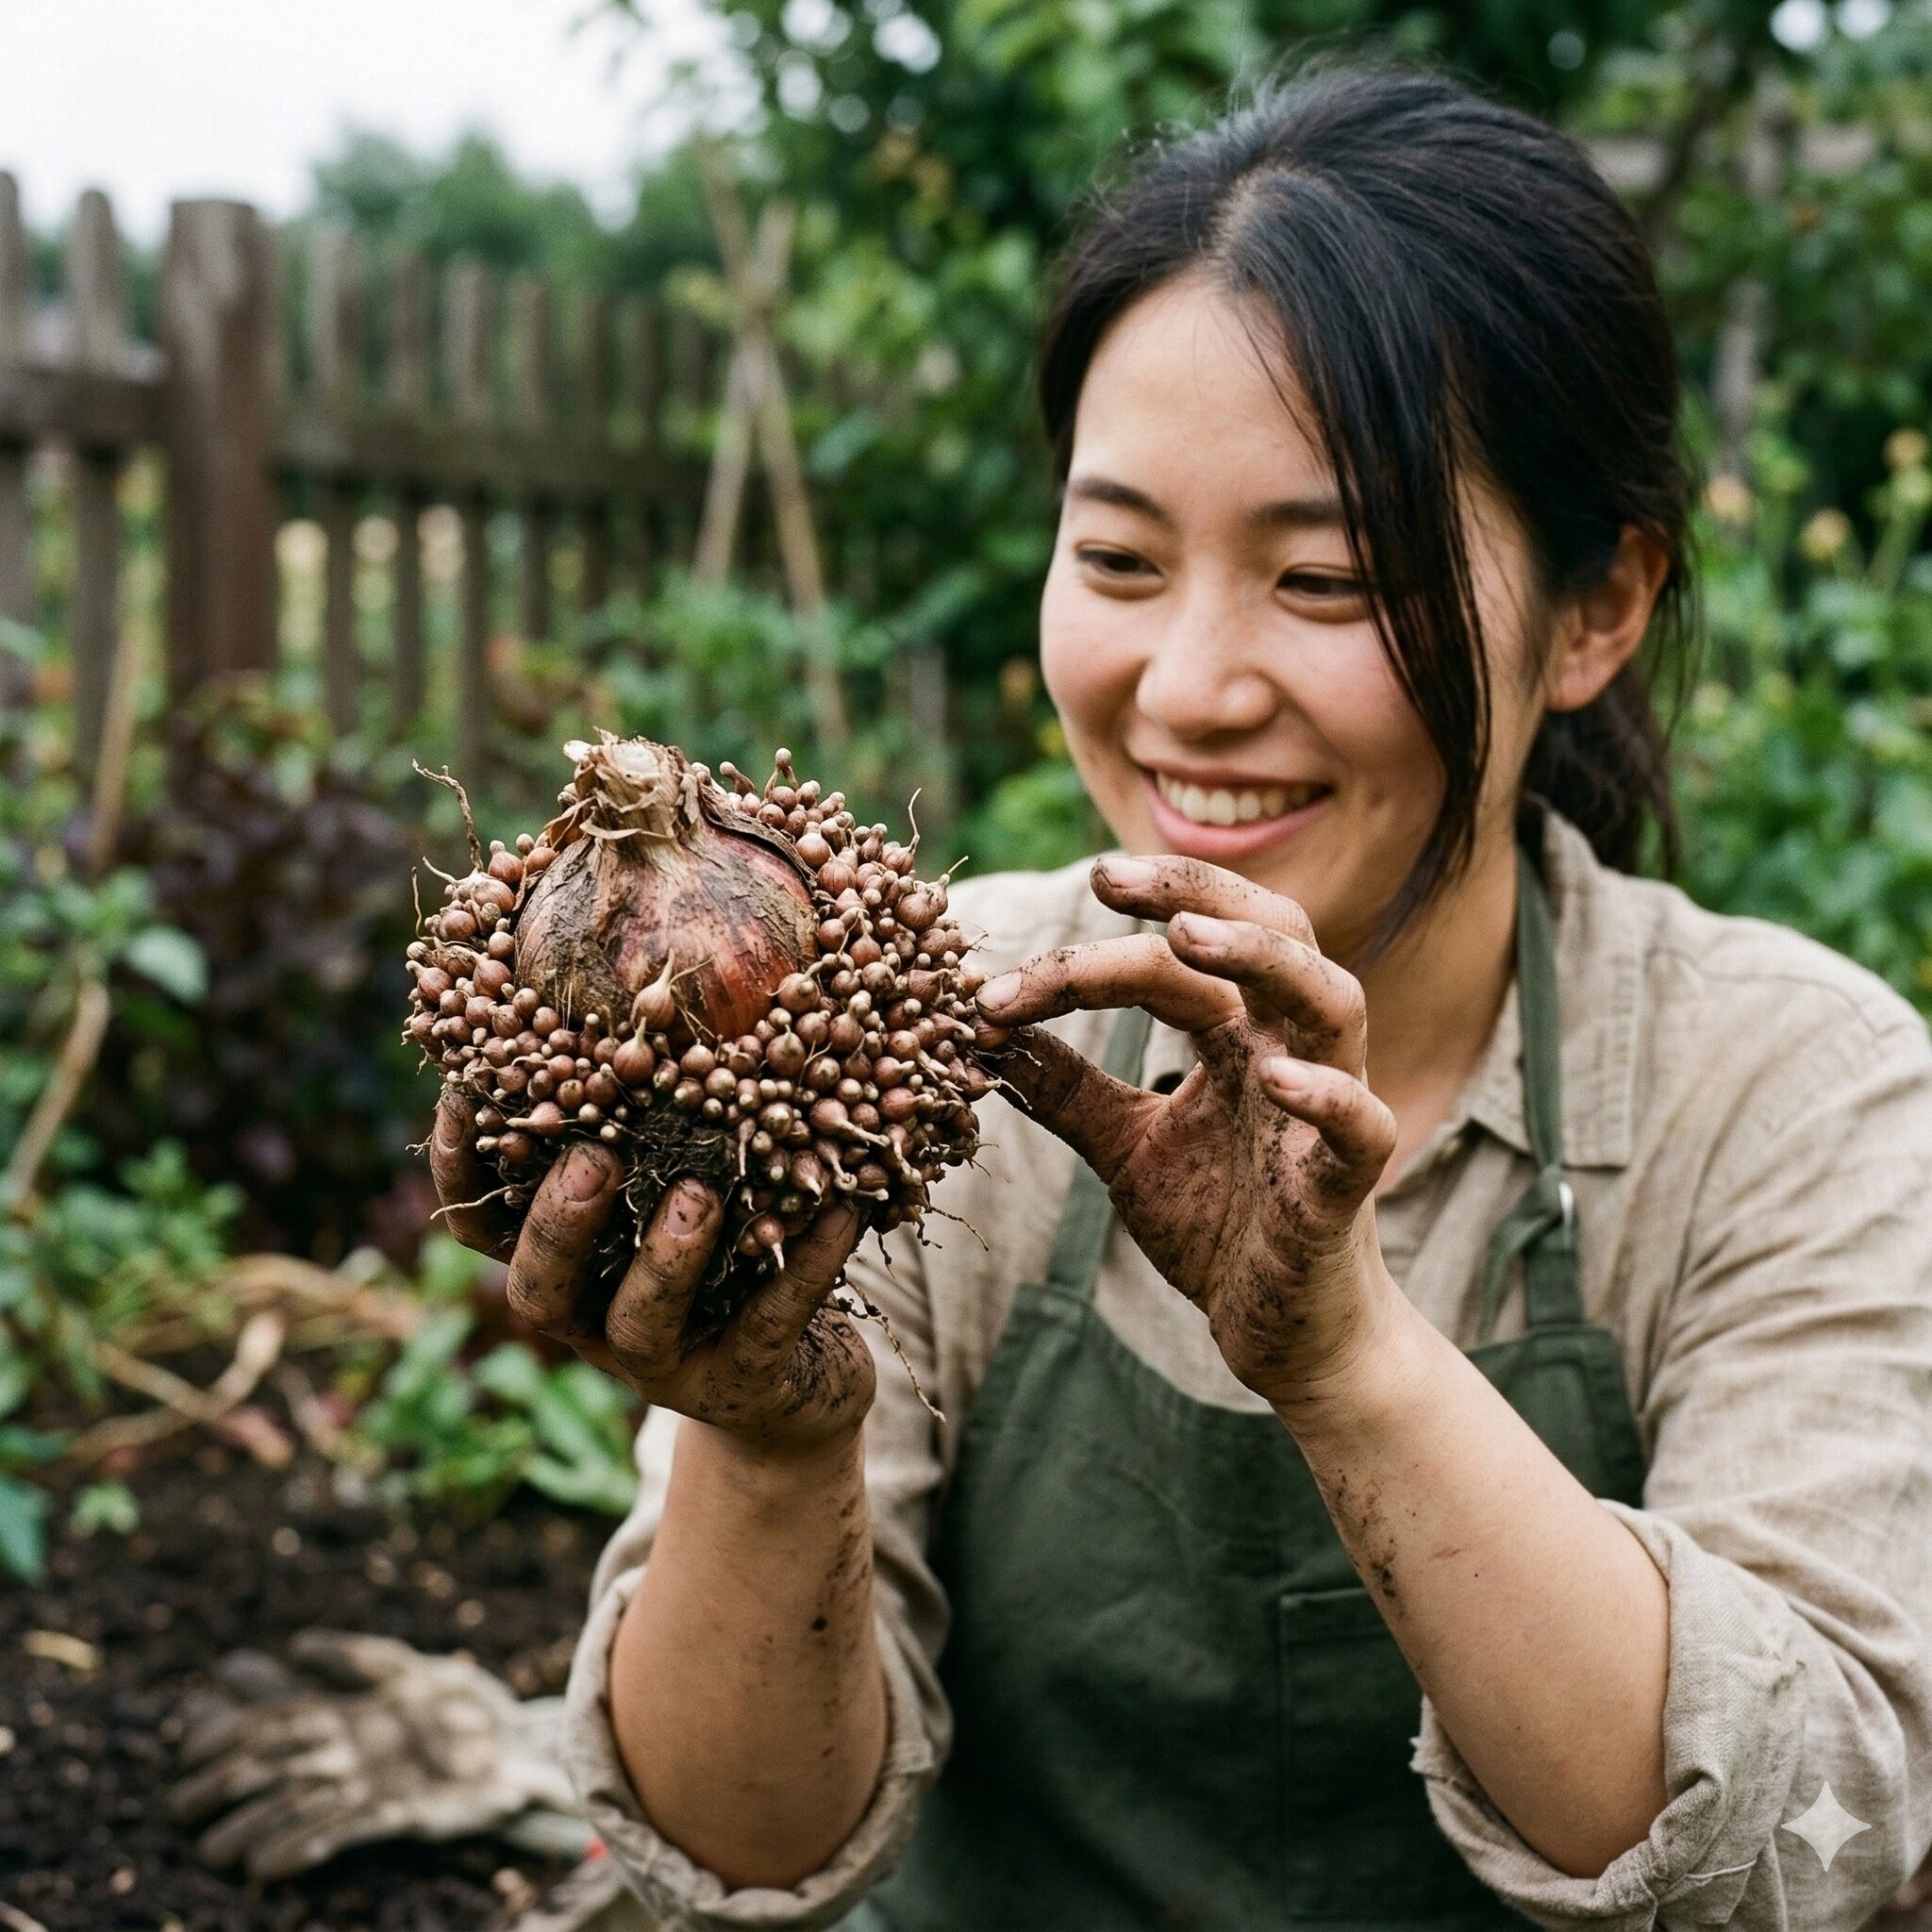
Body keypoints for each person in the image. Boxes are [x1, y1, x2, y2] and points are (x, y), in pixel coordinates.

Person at [431, 58, 1932, 1932]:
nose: (1191, 689)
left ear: (1597, 609)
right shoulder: (912, 1030)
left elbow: (1794, 1849)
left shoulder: (1794, 1092)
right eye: (1119, 559)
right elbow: (737, 1852)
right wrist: (773, 1439)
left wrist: (1339, 1353)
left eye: (1326, 579)